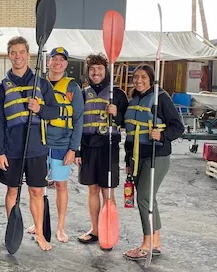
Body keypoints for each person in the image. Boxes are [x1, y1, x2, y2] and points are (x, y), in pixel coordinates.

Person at [0, 36, 62, 251]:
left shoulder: (42, 84)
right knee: (12, 191)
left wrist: (40, 109)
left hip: (36, 147)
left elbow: (55, 111)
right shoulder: (2, 88)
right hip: (12, 149)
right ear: (8, 56)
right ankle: (12, 229)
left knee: (37, 192)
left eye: (21, 52)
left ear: (28, 55)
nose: (17, 56)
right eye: (13, 52)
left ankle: (40, 233)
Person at [123, 64, 184, 260]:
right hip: (137, 157)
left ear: (151, 79)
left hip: (156, 156)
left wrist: (163, 134)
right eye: (136, 77)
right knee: (150, 199)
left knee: (144, 198)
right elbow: (131, 135)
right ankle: (156, 242)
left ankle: (146, 244)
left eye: (143, 77)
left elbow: (178, 127)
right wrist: (128, 160)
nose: (138, 80)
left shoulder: (161, 98)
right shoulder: (134, 98)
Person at [76, 53, 128, 248]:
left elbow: (125, 122)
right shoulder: (83, 93)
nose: (95, 72)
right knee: (93, 189)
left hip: (108, 145)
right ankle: (95, 229)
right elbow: (78, 124)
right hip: (88, 145)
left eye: (99, 69)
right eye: (92, 69)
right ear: (88, 72)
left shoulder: (118, 94)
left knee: (108, 190)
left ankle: (108, 229)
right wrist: (78, 150)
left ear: (106, 70)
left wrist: (117, 114)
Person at [44, 47, 84, 243]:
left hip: (62, 144)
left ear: (66, 64)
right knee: (37, 186)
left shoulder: (73, 88)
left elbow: (78, 119)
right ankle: (39, 222)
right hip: (40, 142)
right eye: (54, 59)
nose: (57, 62)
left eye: (61, 60)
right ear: (48, 62)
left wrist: (73, 149)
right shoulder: (39, 83)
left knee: (61, 186)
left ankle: (60, 227)